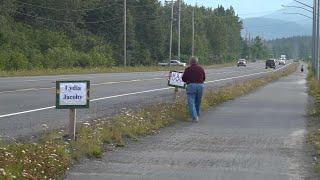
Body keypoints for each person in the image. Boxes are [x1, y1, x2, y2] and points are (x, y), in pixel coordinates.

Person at [182, 57, 206, 122]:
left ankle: (194, 117)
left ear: (190, 62)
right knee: (198, 102)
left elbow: (183, 79)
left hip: (191, 86)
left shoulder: (188, 69)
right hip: (200, 86)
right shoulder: (201, 68)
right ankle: (197, 115)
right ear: (197, 62)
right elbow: (204, 78)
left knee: (191, 102)